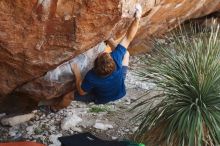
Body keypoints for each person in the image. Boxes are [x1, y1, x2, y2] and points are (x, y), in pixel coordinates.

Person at [71, 4, 142, 104]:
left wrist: (77, 75)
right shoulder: (116, 59)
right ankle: (108, 38)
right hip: (120, 91)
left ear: (94, 66)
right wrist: (137, 18)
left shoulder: (91, 76)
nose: (106, 52)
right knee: (125, 54)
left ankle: (54, 108)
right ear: (112, 61)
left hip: (102, 98)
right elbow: (127, 38)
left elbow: (82, 92)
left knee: (68, 96)